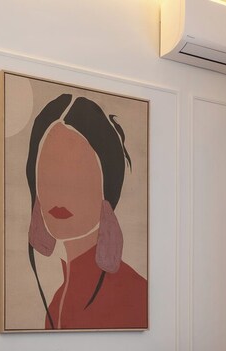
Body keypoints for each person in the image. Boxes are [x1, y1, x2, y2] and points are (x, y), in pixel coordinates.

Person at [25, 94, 147, 330]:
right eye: (50, 172)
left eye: (77, 173)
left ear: (107, 188)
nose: (62, 190)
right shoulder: (57, 304)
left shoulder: (135, 294)